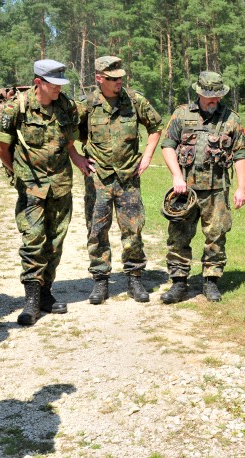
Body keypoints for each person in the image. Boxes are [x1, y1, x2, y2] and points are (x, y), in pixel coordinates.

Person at [0, 59, 93, 326]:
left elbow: (70, 140)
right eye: (54, 84)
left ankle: (46, 293)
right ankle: (31, 300)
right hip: (32, 186)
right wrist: (19, 175)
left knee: (55, 242)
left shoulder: (67, 106)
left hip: (60, 182)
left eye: (62, 84)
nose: (59, 89)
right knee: (33, 240)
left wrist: (78, 159)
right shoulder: (18, 108)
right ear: (39, 83)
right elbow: (1, 149)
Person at [78, 56, 162, 304]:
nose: (118, 82)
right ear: (99, 78)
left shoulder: (134, 101)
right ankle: (100, 281)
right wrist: (78, 159)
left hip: (128, 176)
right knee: (96, 230)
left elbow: (156, 126)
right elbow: (66, 133)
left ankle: (135, 278)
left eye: (121, 78)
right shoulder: (87, 104)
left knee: (133, 228)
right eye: (113, 78)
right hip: (98, 178)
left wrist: (146, 156)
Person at [160, 71, 245, 303]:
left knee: (216, 236)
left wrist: (242, 188)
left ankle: (210, 282)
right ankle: (179, 283)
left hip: (217, 189)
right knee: (178, 236)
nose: (214, 100)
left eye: (218, 96)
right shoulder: (181, 114)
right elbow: (168, 146)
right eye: (210, 96)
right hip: (184, 191)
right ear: (198, 92)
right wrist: (177, 176)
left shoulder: (231, 119)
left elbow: (240, 155)